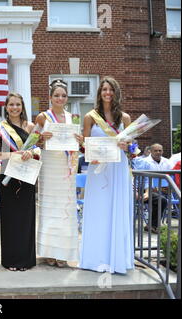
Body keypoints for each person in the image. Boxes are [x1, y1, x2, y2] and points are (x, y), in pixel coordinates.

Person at [79, 76, 134, 274]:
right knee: (99, 211)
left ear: (116, 93)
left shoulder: (125, 118)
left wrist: (127, 145)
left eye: (111, 90)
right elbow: (84, 146)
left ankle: (117, 259)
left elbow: (133, 148)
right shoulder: (90, 117)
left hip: (118, 169)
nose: (107, 93)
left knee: (116, 210)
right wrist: (87, 152)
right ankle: (95, 259)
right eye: (104, 90)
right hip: (97, 169)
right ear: (99, 93)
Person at [35, 79, 82, 268]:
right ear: (50, 97)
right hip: (50, 164)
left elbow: (79, 143)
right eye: (56, 95)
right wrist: (40, 137)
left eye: (63, 95)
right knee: (49, 207)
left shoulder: (74, 118)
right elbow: (33, 141)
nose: (60, 98)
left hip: (66, 166)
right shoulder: (42, 117)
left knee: (65, 209)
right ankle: (49, 251)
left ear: (67, 98)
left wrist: (80, 139)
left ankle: (63, 252)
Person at [0, 93, 36, 271]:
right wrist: (13, 154)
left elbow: (37, 150)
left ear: (22, 106)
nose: (14, 108)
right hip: (7, 176)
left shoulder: (31, 126)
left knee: (26, 218)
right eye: (11, 105)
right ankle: (11, 260)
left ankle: (26, 260)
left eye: (18, 104)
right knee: (11, 218)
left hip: (27, 176)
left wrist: (32, 153)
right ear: (6, 107)